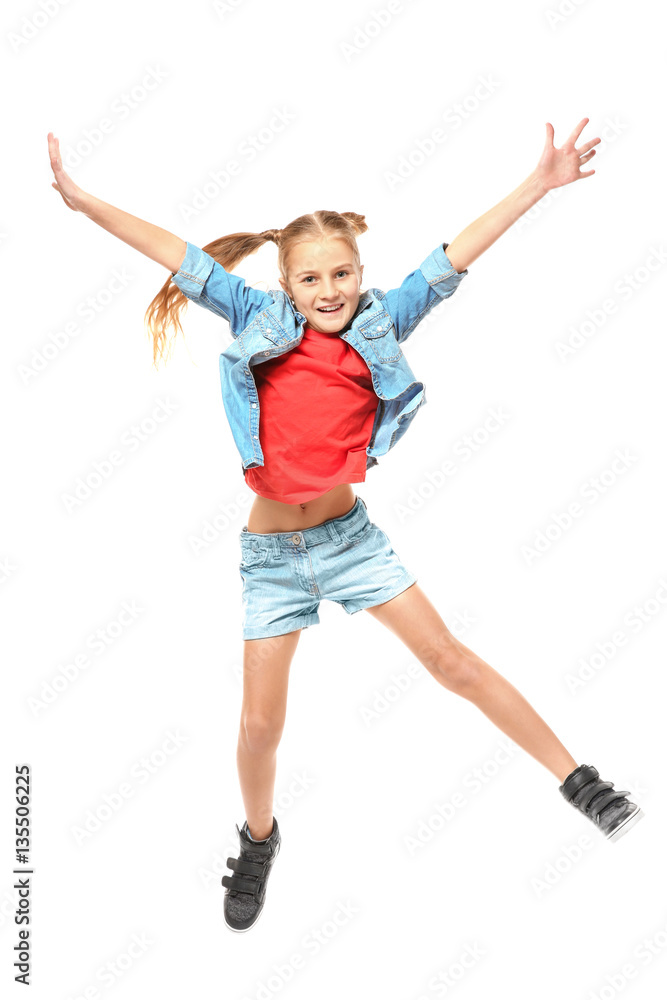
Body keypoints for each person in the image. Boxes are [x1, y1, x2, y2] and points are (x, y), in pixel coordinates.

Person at [47, 118, 644, 933]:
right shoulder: (251, 312)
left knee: (450, 662)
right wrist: (84, 203)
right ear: (285, 284)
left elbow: (456, 252)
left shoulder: (383, 320)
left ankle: (579, 780)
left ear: (360, 272)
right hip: (271, 557)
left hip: (350, 542)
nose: (328, 290)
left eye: (341, 273)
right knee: (260, 723)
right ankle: (259, 839)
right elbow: (176, 251)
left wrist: (537, 184)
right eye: (310, 279)